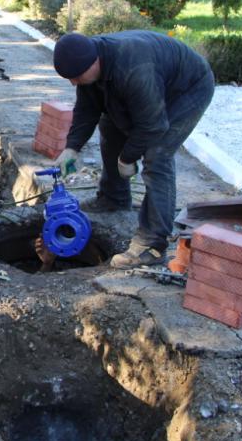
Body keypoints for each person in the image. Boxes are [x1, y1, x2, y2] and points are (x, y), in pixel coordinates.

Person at [52, 31, 215, 268]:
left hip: (187, 89)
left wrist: (127, 158)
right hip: (152, 88)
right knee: (109, 125)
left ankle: (152, 244)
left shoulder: (134, 69)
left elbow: (152, 125)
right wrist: (72, 148)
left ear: (94, 61)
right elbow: (87, 108)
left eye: (76, 76)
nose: (73, 82)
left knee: (157, 154)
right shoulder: (90, 60)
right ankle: (113, 197)